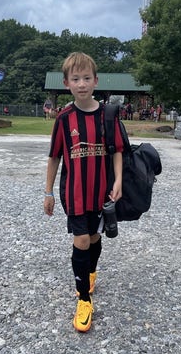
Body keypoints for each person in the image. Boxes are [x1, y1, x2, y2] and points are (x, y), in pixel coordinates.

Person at [43, 52, 124, 333]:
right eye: (75, 79)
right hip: (74, 193)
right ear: (66, 83)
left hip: (101, 194)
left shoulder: (108, 115)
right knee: (80, 240)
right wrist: (48, 192)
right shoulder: (64, 119)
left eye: (86, 78)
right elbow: (54, 157)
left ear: (95, 80)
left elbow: (118, 152)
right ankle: (84, 300)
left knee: (94, 237)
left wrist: (119, 182)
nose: (81, 84)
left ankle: (90, 272)